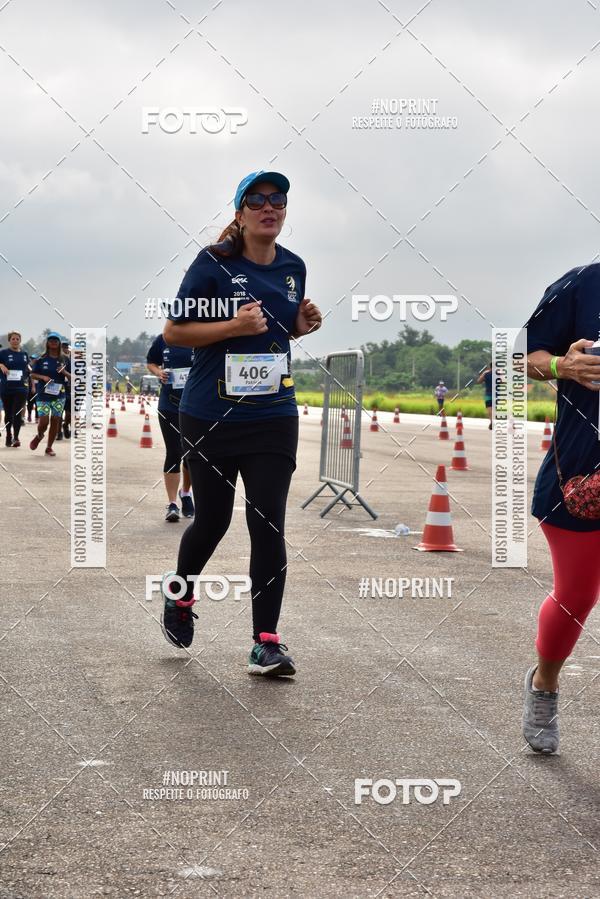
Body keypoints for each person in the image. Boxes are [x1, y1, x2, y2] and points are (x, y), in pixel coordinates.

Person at [160, 169, 322, 676]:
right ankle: (180, 596)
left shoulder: (293, 267)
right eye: (257, 200)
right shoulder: (213, 264)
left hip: (273, 413)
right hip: (210, 413)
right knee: (213, 519)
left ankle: (266, 642)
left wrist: (299, 325)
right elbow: (174, 332)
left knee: (268, 522)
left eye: (278, 199)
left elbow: (273, 338)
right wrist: (235, 324)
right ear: (239, 211)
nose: (269, 206)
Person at [524, 263, 600, 754]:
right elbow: (514, 356)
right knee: (576, 596)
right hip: (582, 477)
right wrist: (563, 367)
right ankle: (544, 685)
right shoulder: (582, 285)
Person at [146, 334, 195, 521]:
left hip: (194, 405)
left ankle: (186, 492)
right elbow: (151, 362)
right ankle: (172, 503)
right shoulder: (165, 339)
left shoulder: (202, 335)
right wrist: (159, 372)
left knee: (191, 453)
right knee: (174, 451)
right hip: (169, 404)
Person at [29, 332, 71, 456]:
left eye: (56, 340)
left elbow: (74, 377)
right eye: (51, 340)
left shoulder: (65, 359)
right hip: (43, 395)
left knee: (55, 420)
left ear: (59, 343)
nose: (53, 342)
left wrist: (65, 373)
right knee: (44, 422)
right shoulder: (41, 359)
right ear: (47, 343)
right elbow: (32, 374)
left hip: (59, 395)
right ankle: (39, 435)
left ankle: (49, 447)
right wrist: (43, 377)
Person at [0, 331, 31, 447]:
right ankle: (8, 435)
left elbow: (27, 369)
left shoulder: (24, 354)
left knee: (17, 413)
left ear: (20, 340)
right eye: (13, 339)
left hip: (21, 388)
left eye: (17, 339)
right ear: (9, 340)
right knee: (8, 413)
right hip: (6, 388)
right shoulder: (3, 353)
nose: (15, 341)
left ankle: (16, 438)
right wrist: (1, 365)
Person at [477, 362, 493, 429]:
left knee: (489, 409)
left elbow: (478, 381)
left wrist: (483, 374)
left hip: (488, 394)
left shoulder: (486, 374)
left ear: (490, 367)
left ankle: (492, 422)